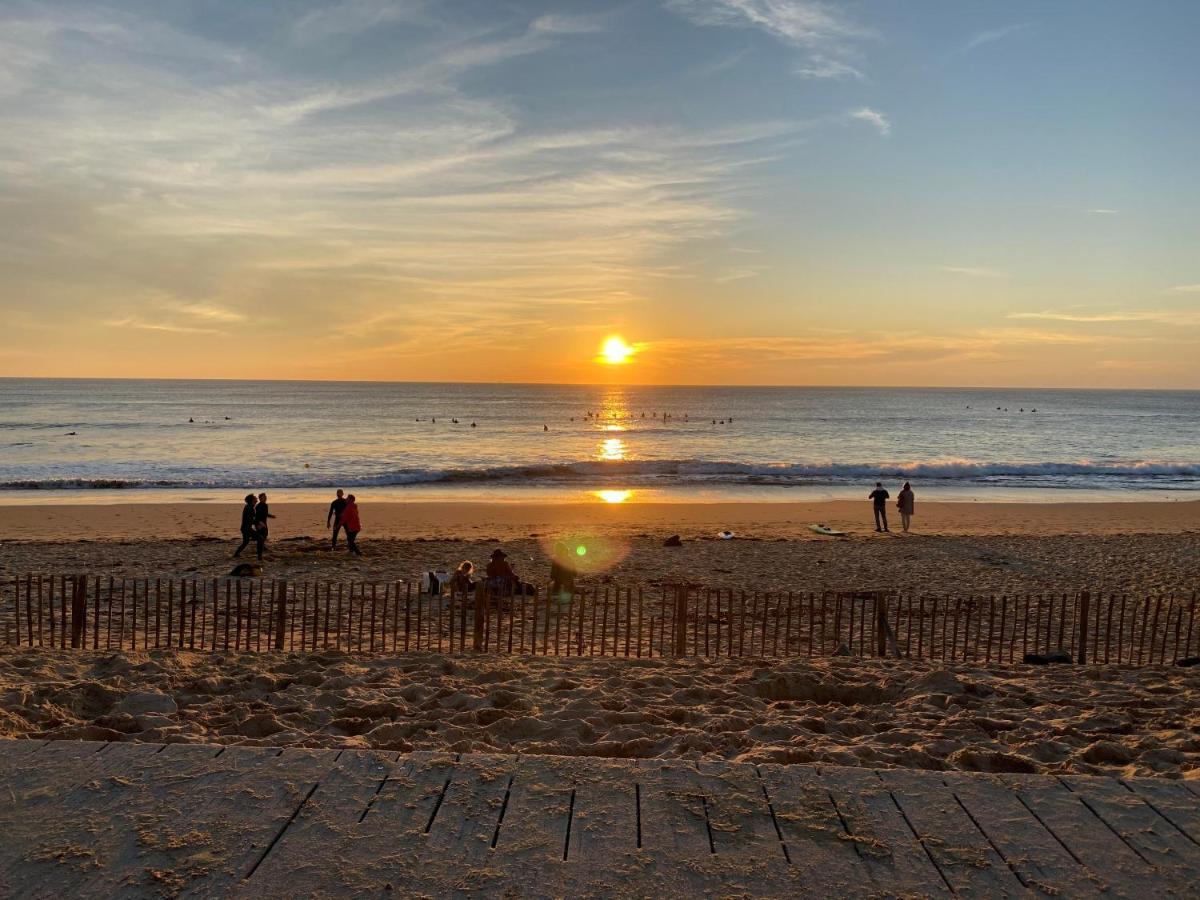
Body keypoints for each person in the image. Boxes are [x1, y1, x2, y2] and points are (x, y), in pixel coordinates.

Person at [254, 492, 275, 557]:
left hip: (263, 522)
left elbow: (265, 514)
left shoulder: (265, 505)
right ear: (260, 498)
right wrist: (259, 523)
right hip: (259, 522)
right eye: (263, 497)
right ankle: (260, 548)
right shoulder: (258, 506)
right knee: (262, 535)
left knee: (265, 534)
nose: (265, 498)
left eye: (265, 497)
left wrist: (271, 516)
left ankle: (262, 546)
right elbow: (257, 515)